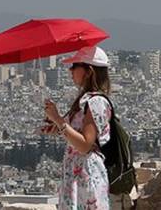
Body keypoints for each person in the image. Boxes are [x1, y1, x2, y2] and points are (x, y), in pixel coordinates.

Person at [43, 46, 113, 210]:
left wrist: (59, 120)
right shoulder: (84, 101)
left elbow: (85, 145)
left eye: (75, 66)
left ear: (89, 71)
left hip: (86, 174)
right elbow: (75, 136)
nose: (70, 70)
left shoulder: (95, 102)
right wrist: (56, 125)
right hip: (77, 173)